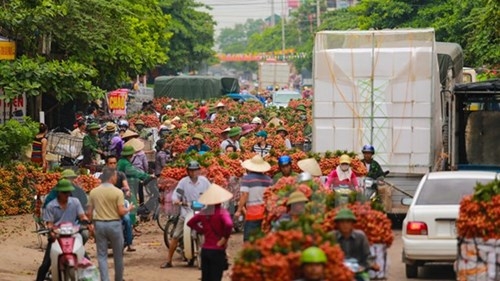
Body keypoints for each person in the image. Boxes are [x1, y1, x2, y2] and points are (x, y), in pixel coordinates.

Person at [36, 179, 91, 281]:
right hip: (57, 236)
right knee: (45, 264)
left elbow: (82, 215)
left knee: (87, 261)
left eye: (68, 192)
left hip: (73, 235)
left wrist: (86, 220)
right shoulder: (51, 206)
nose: (67, 194)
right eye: (64, 192)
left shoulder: (75, 202)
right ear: (59, 192)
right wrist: (51, 230)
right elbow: (49, 223)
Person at [161, 161, 211, 268]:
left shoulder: (204, 181)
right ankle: (169, 260)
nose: (193, 173)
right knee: (175, 236)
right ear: (188, 171)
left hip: (201, 211)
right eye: (191, 171)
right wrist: (176, 200)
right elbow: (176, 194)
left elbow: (211, 192)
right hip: (186, 211)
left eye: (195, 170)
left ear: (199, 171)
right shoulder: (183, 182)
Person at [87, 167, 133, 281]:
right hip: (114, 225)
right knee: (118, 256)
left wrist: (90, 225)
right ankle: (118, 278)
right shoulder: (117, 192)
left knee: (102, 256)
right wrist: (129, 209)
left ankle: (105, 279)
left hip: (100, 225)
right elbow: (121, 212)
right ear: (112, 177)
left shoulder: (94, 192)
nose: (116, 178)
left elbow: (89, 212)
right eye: (115, 176)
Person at [187, 184, 233, 281]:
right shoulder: (222, 212)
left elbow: (190, 223)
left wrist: (202, 230)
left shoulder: (204, 212)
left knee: (206, 278)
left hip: (205, 250)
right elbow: (229, 224)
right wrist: (225, 238)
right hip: (217, 250)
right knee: (216, 278)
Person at [332, 208, 378, 280]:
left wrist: (371, 264)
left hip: (358, 270)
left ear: (352, 224)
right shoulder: (332, 237)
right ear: (337, 224)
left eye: (348, 222)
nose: (345, 225)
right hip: (337, 271)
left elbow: (367, 255)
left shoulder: (360, 236)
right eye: (342, 222)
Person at [100, 155, 134, 251]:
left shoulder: (121, 175)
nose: (113, 165)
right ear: (106, 164)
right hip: (107, 204)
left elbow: (126, 186)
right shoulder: (102, 176)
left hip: (120, 203)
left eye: (114, 163)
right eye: (110, 163)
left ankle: (129, 242)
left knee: (127, 220)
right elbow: (98, 187)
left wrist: (127, 191)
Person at [235, 155, 273, 241]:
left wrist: (239, 210)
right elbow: (270, 196)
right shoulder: (268, 180)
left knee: (249, 240)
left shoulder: (247, 179)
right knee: (262, 239)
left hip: (252, 214)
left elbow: (244, 195)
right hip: (265, 214)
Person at [117, 145, 152, 231]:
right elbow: (135, 172)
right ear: (130, 155)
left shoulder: (122, 161)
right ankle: (130, 228)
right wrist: (147, 176)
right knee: (132, 206)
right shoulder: (125, 163)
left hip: (125, 186)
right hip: (126, 187)